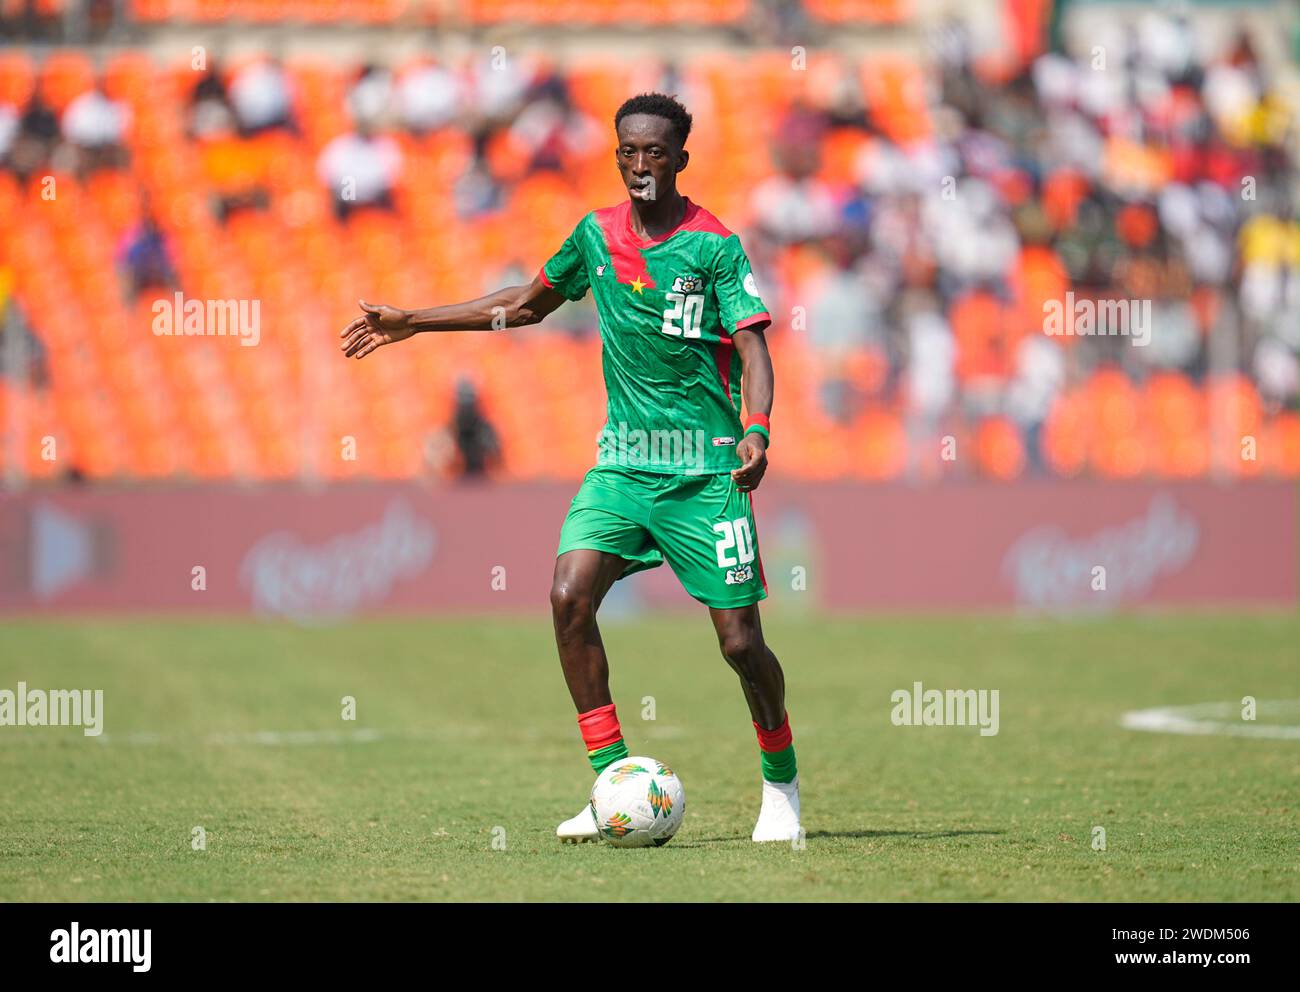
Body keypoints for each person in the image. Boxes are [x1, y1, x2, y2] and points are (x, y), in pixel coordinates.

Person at [339, 92, 801, 844]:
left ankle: (781, 785)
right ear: (616, 155)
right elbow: (525, 304)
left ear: (681, 159)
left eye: (655, 152)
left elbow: (752, 346)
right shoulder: (595, 235)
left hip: (706, 472)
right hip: (621, 467)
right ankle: (613, 781)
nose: (641, 165)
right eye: (629, 151)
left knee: (741, 644)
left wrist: (756, 430)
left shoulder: (715, 247)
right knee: (568, 594)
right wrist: (413, 322)